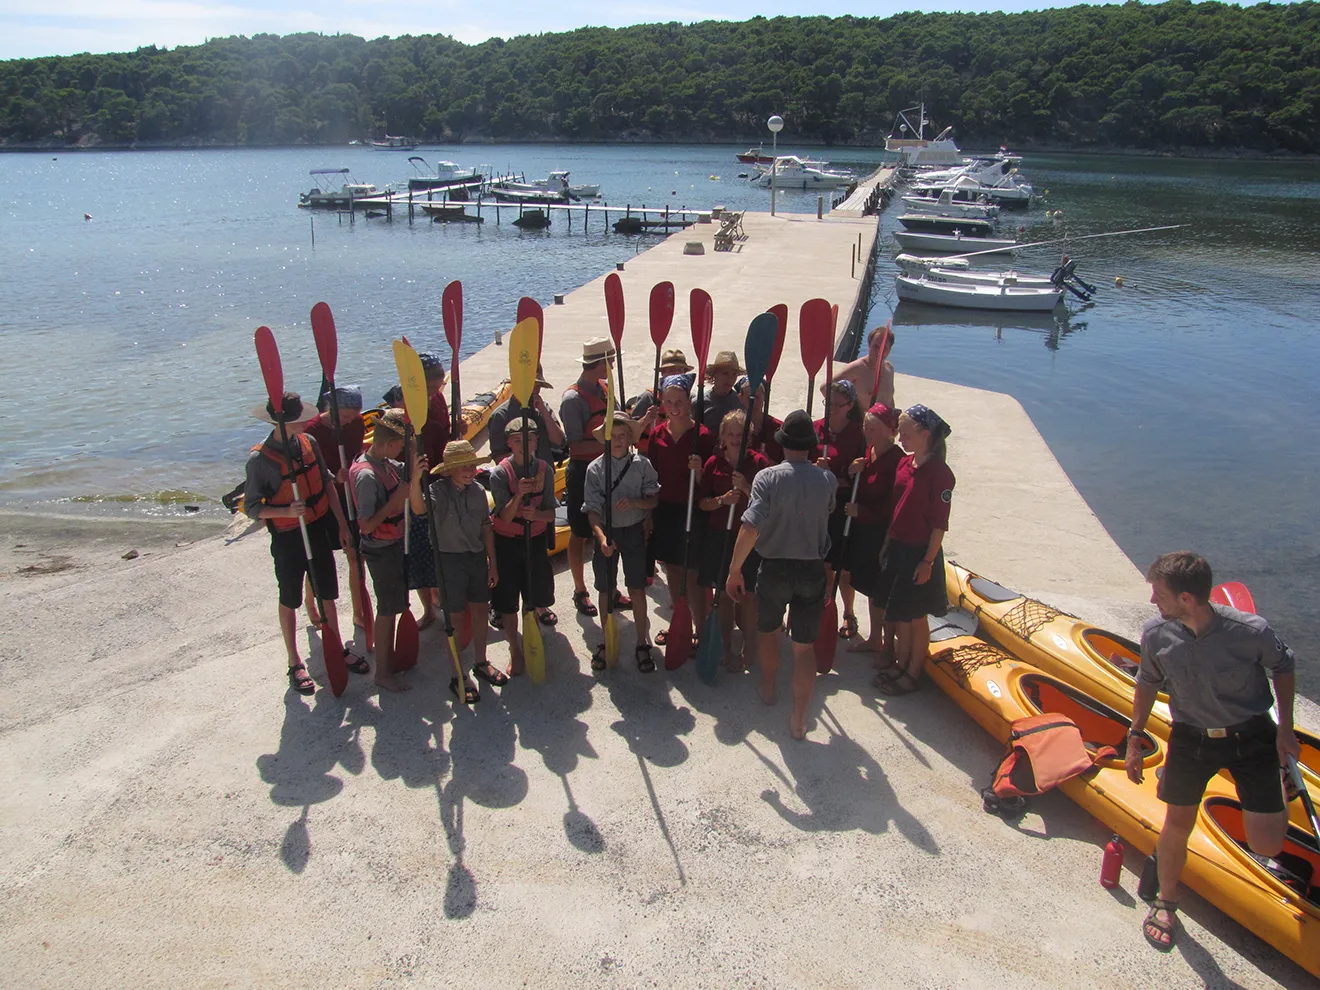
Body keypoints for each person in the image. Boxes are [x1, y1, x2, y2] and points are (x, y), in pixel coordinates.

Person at [1127, 551, 1298, 953]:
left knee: (1268, 845)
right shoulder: (1156, 634)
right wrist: (1134, 736)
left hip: (1251, 735)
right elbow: (1147, 682)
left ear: (1187, 598)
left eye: (1159, 594)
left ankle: (1277, 783)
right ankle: (1166, 904)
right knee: (1176, 822)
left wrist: (1285, 731)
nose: (1153, 601)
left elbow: (1285, 665)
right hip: (1191, 737)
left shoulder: (1251, 630)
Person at [244, 391, 367, 694]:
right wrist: (285, 510)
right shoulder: (260, 460)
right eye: (299, 419)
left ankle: (336, 648)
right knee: (290, 597)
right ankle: (294, 661)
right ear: (283, 422)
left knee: (327, 593)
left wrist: (341, 525)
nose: (305, 422)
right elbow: (251, 507)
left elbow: (325, 483)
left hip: (317, 527)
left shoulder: (308, 443)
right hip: (288, 536)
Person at [727, 410, 836, 739]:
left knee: (770, 632)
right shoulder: (827, 479)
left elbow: (750, 526)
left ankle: (769, 688)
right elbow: (827, 511)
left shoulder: (767, 477)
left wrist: (734, 570)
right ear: (811, 446)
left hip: (774, 567)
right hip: (811, 568)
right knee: (804, 648)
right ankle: (799, 718)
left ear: (783, 444)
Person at [872, 404, 955, 697]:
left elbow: (939, 525)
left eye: (906, 433)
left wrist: (928, 562)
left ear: (925, 434)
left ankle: (913, 672)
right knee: (900, 614)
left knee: (916, 617)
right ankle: (900, 663)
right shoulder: (905, 464)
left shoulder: (940, 474)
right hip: (898, 546)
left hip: (920, 552)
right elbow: (897, 508)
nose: (901, 438)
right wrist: (887, 543)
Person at [349, 408, 425, 694]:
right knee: (387, 610)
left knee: (395, 605)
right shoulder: (367, 476)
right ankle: (382, 672)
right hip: (380, 549)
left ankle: (390, 661)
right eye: (400, 446)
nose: (401, 451)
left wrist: (415, 456)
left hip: (393, 544)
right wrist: (397, 498)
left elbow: (405, 475)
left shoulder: (384, 463)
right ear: (387, 444)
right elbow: (366, 525)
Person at [583, 411, 661, 672]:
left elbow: (653, 499)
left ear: (630, 438)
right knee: (605, 589)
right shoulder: (595, 469)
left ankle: (641, 642)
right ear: (606, 439)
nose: (617, 440)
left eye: (622, 435)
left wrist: (637, 503)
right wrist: (602, 538)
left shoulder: (642, 465)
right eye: (613, 436)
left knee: (637, 589)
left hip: (634, 533)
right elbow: (592, 510)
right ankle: (607, 639)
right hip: (608, 533)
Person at [697, 409, 770, 673]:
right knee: (724, 597)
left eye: (741, 434)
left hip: (748, 537)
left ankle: (749, 648)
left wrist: (749, 489)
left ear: (747, 436)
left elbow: (770, 505)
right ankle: (726, 646)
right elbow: (702, 503)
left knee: (748, 597)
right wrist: (721, 501)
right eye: (731, 434)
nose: (736, 439)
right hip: (720, 536)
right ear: (722, 437)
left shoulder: (760, 463)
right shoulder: (713, 464)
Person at [429, 440, 502, 703]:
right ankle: (456, 673)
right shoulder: (435, 492)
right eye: (464, 467)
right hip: (449, 561)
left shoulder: (479, 491)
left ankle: (480, 662)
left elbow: (486, 528)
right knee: (456, 620)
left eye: (472, 465)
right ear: (449, 470)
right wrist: (415, 478)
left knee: (481, 611)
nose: (470, 470)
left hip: (475, 558)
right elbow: (417, 509)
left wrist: (492, 563)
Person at [646, 373, 715, 646]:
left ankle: (700, 629)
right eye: (669, 401)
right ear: (662, 402)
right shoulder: (656, 434)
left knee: (695, 575)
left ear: (689, 402)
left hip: (694, 511)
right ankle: (680, 624)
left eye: (680, 401)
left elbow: (710, 483)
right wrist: (649, 516)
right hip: (666, 511)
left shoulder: (704, 436)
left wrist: (698, 473)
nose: (674, 407)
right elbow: (651, 477)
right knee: (673, 571)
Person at [489, 415, 558, 676]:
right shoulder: (499, 473)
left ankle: (531, 640)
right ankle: (514, 651)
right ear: (509, 443)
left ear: (537, 440)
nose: (524, 445)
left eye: (529, 439)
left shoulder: (544, 470)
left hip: (535, 541)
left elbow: (552, 513)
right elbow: (503, 517)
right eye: (518, 440)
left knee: (534, 595)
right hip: (507, 542)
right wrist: (518, 494)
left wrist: (537, 516)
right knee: (507, 602)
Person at [302, 383, 368, 632]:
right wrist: (332, 477)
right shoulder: (312, 431)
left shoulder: (357, 424)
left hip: (351, 495)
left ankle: (359, 612)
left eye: (353, 416)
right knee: (321, 557)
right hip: (323, 499)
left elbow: (355, 453)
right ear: (332, 409)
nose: (349, 421)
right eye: (345, 416)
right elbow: (310, 469)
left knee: (355, 555)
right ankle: (311, 602)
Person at [843, 404, 904, 667]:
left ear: (889, 432)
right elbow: (862, 480)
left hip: (883, 533)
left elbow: (894, 506)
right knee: (869, 586)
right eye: (866, 427)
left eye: (874, 428)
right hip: (865, 531)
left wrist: (862, 511)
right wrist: (853, 470)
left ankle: (888, 647)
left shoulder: (897, 460)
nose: (867, 432)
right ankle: (874, 639)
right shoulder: (869, 451)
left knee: (881, 590)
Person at [560, 338, 614, 618]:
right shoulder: (573, 399)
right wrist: (610, 444)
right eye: (611, 361)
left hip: (607, 469)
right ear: (599, 364)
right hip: (583, 473)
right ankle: (580, 590)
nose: (614, 365)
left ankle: (610, 588)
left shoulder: (605, 388)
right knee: (580, 533)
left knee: (609, 529)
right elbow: (574, 446)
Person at [815, 379, 866, 640]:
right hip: (819, 508)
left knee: (844, 569)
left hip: (844, 507)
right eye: (828, 404)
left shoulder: (860, 434)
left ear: (850, 406)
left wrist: (838, 474)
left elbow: (863, 479)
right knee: (824, 566)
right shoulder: (816, 430)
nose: (831, 409)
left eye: (837, 404)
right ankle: (825, 610)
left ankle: (848, 612)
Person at [487, 365, 564, 463]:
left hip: (545, 474)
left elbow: (559, 442)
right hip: (516, 476)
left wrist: (544, 412)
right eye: (530, 385)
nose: (535, 390)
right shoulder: (500, 416)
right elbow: (499, 457)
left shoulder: (543, 408)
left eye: (538, 386)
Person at [832, 326, 896, 410]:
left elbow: (890, 399)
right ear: (869, 345)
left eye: (884, 348)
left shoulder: (889, 369)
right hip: (862, 421)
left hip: (885, 421)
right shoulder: (857, 368)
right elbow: (826, 387)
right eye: (875, 347)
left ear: (890, 349)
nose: (879, 352)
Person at [629, 347, 694, 425]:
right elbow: (632, 429)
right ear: (662, 373)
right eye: (671, 370)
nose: (675, 373)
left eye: (680, 370)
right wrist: (646, 419)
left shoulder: (691, 398)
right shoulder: (649, 397)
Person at [739, 377, 784, 464]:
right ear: (741, 398)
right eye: (750, 398)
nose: (754, 402)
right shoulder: (735, 427)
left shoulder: (779, 428)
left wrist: (769, 464)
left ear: (765, 397)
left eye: (757, 397)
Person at [696, 350, 744, 428]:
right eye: (725, 373)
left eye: (734, 374)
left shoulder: (741, 402)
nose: (730, 378)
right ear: (715, 374)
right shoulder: (700, 403)